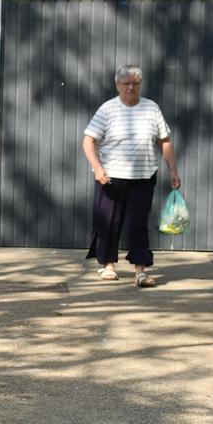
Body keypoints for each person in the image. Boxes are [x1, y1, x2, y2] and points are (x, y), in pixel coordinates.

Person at [81, 65, 180, 287]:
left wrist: (173, 169)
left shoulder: (151, 109)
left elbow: (164, 141)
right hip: (111, 177)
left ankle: (140, 271)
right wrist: (97, 167)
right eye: (126, 83)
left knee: (138, 224)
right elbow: (88, 140)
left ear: (140, 85)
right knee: (108, 222)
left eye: (135, 83)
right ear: (117, 85)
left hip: (144, 177)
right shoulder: (107, 109)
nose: (131, 87)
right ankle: (108, 265)